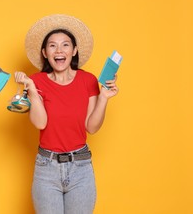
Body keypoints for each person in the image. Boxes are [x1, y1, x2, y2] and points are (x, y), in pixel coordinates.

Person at [14, 14, 119, 214]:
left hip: (81, 167)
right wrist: (32, 90)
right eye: (52, 46)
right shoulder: (37, 81)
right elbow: (40, 123)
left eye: (65, 45)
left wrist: (104, 97)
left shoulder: (88, 80)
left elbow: (92, 127)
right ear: (45, 52)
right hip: (47, 168)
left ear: (74, 51)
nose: (59, 50)